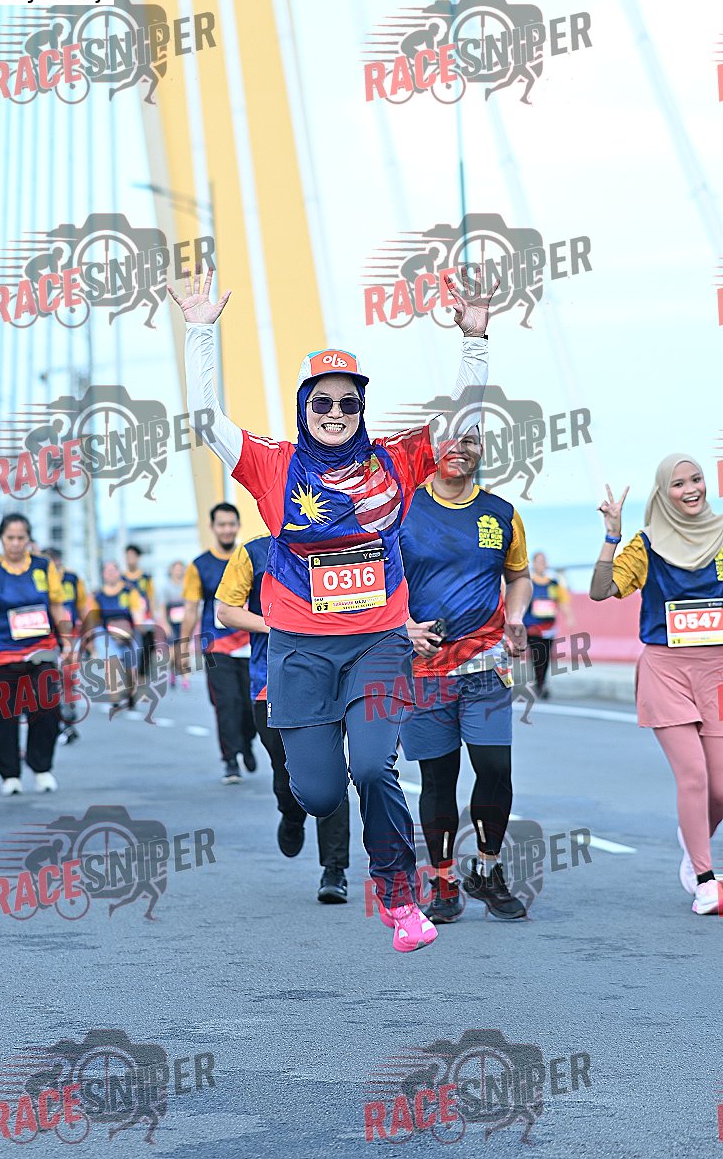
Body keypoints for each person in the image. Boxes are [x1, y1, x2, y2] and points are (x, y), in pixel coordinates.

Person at [169, 264, 496, 952]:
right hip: (299, 650)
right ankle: (305, 808)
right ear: (304, 407)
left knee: (374, 767)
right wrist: (200, 332)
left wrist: (475, 341)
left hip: (377, 642)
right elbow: (205, 423)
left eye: (349, 402)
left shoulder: (395, 461)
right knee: (319, 794)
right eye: (323, 402)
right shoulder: (273, 465)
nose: (337, 413)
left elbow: (462, 422)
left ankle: (399, 896)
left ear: (361, 408)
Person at [399, 415, 532, 924]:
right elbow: (377, 580)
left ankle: (489, 870)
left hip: (485, 663)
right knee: (439, 778)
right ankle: (443, 880)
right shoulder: (402, 507)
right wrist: (404, 625)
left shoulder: (501, 513)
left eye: (471, 439)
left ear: (481, 450)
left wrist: (515, 617)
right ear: (431, 449)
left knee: (495, 768)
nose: (461, 447)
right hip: (424, 668)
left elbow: (518, 577)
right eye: (450, 439)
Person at [591, 457, 723, 916]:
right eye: (679, 484)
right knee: (694, 775)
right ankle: (705, 880)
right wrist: (612, 535)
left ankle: (693, 842)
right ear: (663, 493)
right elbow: (600, 591)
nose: (691, 489)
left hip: (717, 673)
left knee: (720, 787)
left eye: (697, 480)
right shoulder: (646, 546)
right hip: (666, 670)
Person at [216, 534, 351, 902]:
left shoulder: (337, 546)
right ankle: (291, 814)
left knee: (330, 770)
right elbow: (225, 611)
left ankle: (334, 869)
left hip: (330, 678)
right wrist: (277, 625)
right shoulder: (253, 553)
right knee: (285, 772)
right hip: (271, 683)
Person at [0, 514, 70, 795]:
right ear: (1, 539)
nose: (15, 544)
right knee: (2, 717)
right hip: (3, 654)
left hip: (41, 651)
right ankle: (9, 774)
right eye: (10, 538)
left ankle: (41, 767)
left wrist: (68, 641)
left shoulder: (43, 567)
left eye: (21, 538)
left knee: (48, 709)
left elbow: (57, 606)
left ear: (29, 539)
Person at [181, 503, 256, 784]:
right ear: (212, 527)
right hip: (216, 647)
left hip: (249, 644)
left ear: (238, 526)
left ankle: (246, 741)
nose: (227, 529)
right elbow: (191, 609)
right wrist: (183, 648)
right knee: (226, 704)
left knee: (250, 705)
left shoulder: (248, 559)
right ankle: (231, 760)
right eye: (221, 524)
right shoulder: (199, 566)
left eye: (231, 524)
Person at [84, 562, 144, 715]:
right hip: (106, 633)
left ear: (118, 572)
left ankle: (130, 694)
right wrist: (90, 641)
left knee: (131, 669)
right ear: (103, 574)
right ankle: (115, 699)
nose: (111, 574)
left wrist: (136, 628)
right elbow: (92, 618)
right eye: (107, 571)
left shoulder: (129, 591)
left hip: (128, 632)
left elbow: (137, 613)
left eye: (113, 570)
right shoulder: (97, 595)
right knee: (112, 663)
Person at [43, 546, 89, 743]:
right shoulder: (39, 579)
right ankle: (52, 721)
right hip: (46, 636)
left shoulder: (72, 579)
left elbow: (83, 606)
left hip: (70, 635)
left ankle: (68, 721)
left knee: (68, 678)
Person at [524, 551, 574, 698]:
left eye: (543, 561)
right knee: (537, 655)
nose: (541, 564)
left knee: (545, 657)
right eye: (538, 561)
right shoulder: (527, 583)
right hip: (532, 627)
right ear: (533, 563)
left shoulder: (554, 584)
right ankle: (540, 683)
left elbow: (563, 602)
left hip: (548, 627)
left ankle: (541, 682)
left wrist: (569, 617)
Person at [123, 544, 157, 681]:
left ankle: (143, 673)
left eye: (132, 556)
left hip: (145, 617)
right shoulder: (122, 578)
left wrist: (153, 616)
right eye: (128, 556)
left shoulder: (145, 578)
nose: (130, 559)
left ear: (138, 558)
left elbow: (151, 597)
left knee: (147, 645)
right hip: (128, 619)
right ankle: (130, 673)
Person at [160, 560, 189, 690]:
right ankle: (172, 672)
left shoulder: (187, 586)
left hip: (184, 623)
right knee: (172, 654)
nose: (178, 571)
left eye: (180, 568)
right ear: (171, 571)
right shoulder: (166, 587)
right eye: (176, 569)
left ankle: (185, 678)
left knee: (183, 652)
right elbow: (162, 607)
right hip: (171, 624)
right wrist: (165, 625)